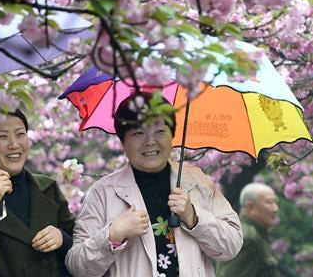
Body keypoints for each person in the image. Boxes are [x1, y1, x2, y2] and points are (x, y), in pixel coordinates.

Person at [66, 92, 242, 277]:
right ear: (123, 141)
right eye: (138, 133)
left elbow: (232, 245)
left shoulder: (197, 182)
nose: (150, 142)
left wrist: (194, 217)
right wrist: (112, 235)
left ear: (172, 134)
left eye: (160, 131)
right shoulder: (104, 192)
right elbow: (77, 267)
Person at [0, 109, 76, 277]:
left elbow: (80, 245)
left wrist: (62, 239)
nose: (14, 144)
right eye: (3, 137)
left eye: (20, 134)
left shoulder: (48, 188)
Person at [215, 183, 280, 277]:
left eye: (276, 203)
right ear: (251, 207)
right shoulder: (248, 238)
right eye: (270, 202)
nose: (275, 209)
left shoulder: (251, 233)